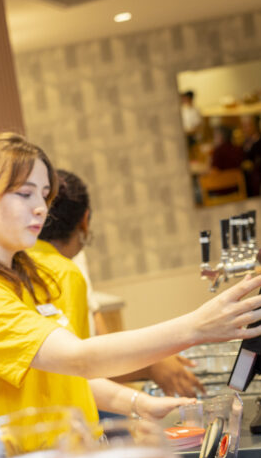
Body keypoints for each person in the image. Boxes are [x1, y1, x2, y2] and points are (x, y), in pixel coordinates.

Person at [0, 132, 261, 441]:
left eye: (43, 195)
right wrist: (196, 327)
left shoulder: (32, 274)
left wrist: (135, 402)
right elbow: (80, 359)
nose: (40, 208)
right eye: (25, 194)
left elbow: (64, 378)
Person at [34, 169, 205, 397]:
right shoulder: (63, 271)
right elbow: (80, 364)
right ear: (85, 220)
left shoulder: (73, 262)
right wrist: (151, 363)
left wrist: (150, 359)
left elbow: (99, 334)